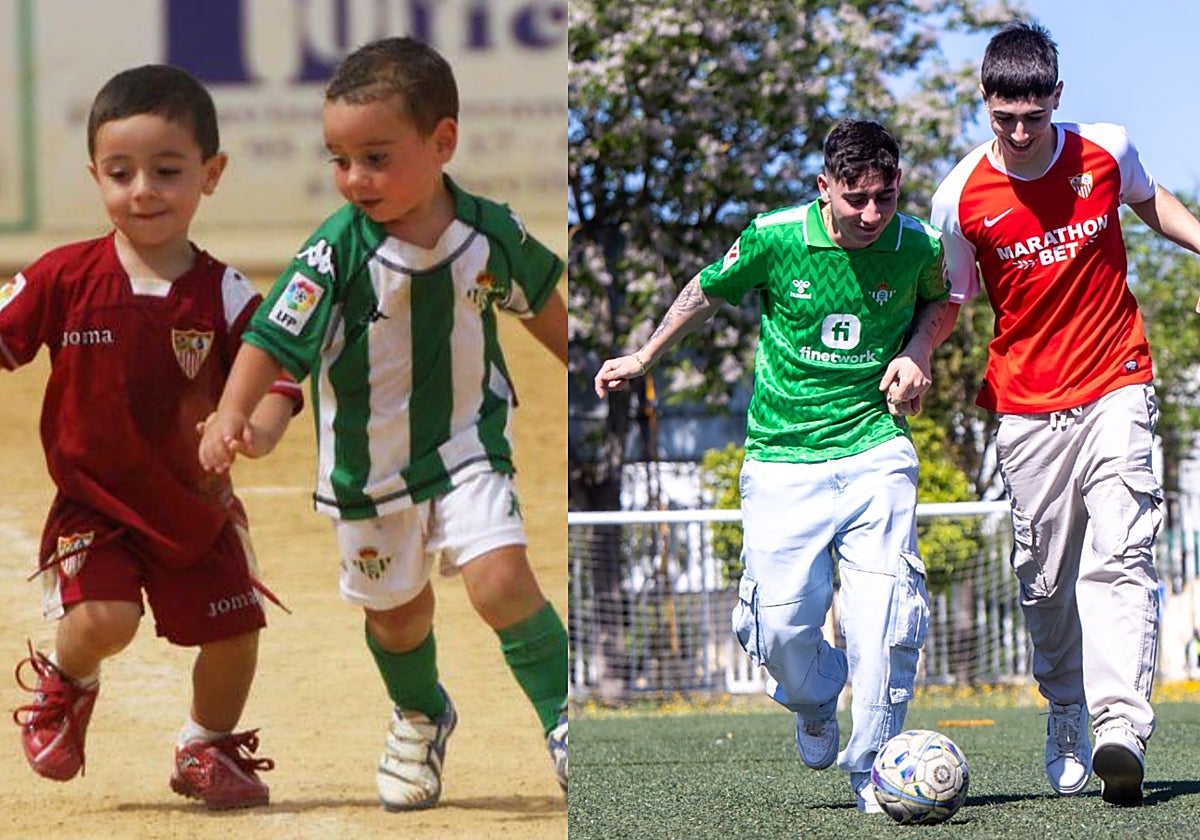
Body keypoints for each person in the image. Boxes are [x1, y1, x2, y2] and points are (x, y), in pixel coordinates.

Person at [198, 37, 569, 810]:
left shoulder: (491, 231)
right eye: (339, 160)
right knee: (398, 619)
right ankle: (421, 713)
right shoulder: (333, 252)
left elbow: (542, 304)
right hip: (366, 470)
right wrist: (232, 413)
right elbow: (271, 339)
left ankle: (567, 721)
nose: (353, 178)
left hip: (469, 445)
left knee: (502, 580)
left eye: (374, 158)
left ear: (442, 142)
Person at [595, 119, 953, 813]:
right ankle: (815, 699)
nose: (872, 214)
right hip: (783, 461)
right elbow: (706, 290)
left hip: (876, 448)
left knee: (884, 620)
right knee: (780, 628)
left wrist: (918, 351)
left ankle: (876, 771)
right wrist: (644, 356)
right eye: (856, 199)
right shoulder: (774, 236)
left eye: (885, 197)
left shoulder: (919, 245)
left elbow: (941, 302)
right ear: (824, 188)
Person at [3, 65, 302, 809]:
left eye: (167, 171)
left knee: (235, 635)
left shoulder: (225, 291)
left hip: (196, 507)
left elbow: (278, 375)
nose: (143, 190)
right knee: (106, 620)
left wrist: (257, 428)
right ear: (95, 177)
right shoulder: (61, 277)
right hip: (95, 504)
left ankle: (205, 745)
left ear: (211, 173)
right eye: (120, 173)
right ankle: (67, 682)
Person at [930, 21, 1200, 807]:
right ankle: (1067, 706)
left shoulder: (1106, 150)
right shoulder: (959, 197)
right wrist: (915, 354)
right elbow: (953, 299)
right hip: (1027, 409)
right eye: (1004, 118)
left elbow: (1152, 202)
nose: (1019, 134)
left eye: (1034, 116)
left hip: (1118, 380)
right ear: (984, 100)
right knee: (1045, 584)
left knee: (1121, 553)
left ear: (1057, 97)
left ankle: (1121, 729)